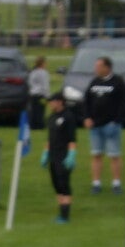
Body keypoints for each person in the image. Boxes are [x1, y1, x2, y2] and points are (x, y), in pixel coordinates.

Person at [81, 56, 125, 193]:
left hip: (111, 125)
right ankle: (96, 183)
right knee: (96, 154)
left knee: (114, 155)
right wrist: (87, 117)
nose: (96, 69)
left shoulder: (118, 82)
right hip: (95, 125)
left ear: (107, 67)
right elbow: (86, 101)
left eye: (98, 66)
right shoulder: (94, 82)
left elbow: (124, 103)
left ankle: (116, 183)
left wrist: (117, 121)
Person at [43, 90, 78, 224]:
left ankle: (65, 215)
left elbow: (72, 139)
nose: (50, 104)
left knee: (64, 184)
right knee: (56, 184)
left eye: (52, 102)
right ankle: (60, 212)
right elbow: (50, 137)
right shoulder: (51, 117)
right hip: (53, 154)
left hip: (63, 155)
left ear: (59, 102)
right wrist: (45, 153)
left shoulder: (68, 117)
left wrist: (72, 154)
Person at [26, 56, 51, 129]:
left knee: (33, 111)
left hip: (33, 94)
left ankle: (32, 125)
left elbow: (29, 83)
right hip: (41, 94)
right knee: (41, 110)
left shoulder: (33, 72)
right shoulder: (44, 73)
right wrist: (48, 96)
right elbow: (45, 85)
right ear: (42, 63)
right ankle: (40, 125)